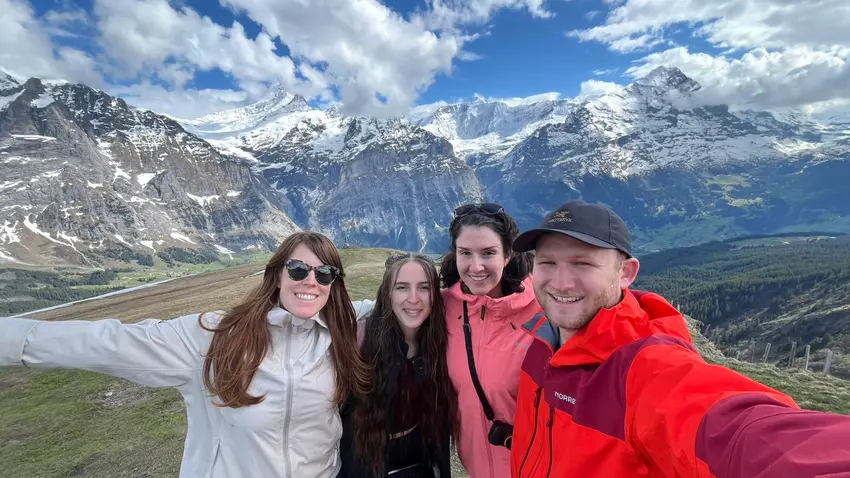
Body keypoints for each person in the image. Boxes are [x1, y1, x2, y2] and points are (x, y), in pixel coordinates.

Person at [509, 200, 850, 477]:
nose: (561, 282)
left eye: (582, 264)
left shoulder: (644, 369)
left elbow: (737, 432)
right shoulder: (541, 342)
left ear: (626, 273)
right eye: (547, 262)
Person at [0, 231, 375, 478]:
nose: (311, 281)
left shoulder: (340, 329)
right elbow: (109, 341)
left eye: (324, 273)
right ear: (276, 275)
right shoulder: (212, 337)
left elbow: (396, 306)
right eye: (298, 269)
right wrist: (13, 340)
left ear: (333, 284)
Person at [439, 203, 542, 478]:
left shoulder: (542, 311)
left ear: (508, 254)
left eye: (488, 253)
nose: (476, 266)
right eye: (466, 253)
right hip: (476, 468)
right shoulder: (443, 308)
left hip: (534, 468)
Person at [338, 252, 459, 477]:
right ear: (388, 294)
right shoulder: (359, 342)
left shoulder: (443, 343)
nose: (413, 298)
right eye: (402, 287)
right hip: (362, 464)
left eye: (424, 287)